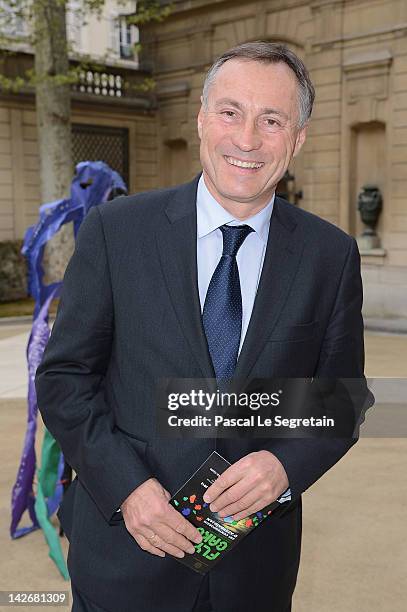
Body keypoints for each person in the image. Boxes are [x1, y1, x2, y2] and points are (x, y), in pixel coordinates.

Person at [35, 41, 370, 612]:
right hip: (125, 554)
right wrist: (128, 488)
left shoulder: (329, 255)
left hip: (253, 570)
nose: (247, 140)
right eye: (230, 112)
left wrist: (284, 466)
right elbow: (66, 378)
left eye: (272, 120)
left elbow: (344, 395)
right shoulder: (117, 232)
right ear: (201, 119)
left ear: (298, 138)